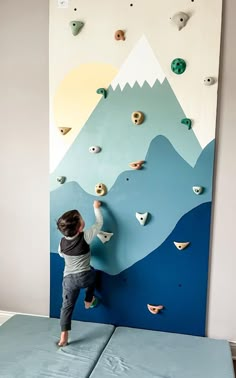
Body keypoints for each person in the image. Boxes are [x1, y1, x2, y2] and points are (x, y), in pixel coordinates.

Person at [56, 200, 103, 347]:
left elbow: (61, 255)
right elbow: (99, 223)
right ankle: (88, 300)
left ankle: (64, 335)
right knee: (93, 274)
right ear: (80, 227)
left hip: (69, 280)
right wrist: (96, 208)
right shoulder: (85, 236)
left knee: (67, 306)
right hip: (85, 277)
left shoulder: (62, 242)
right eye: (81, 218)